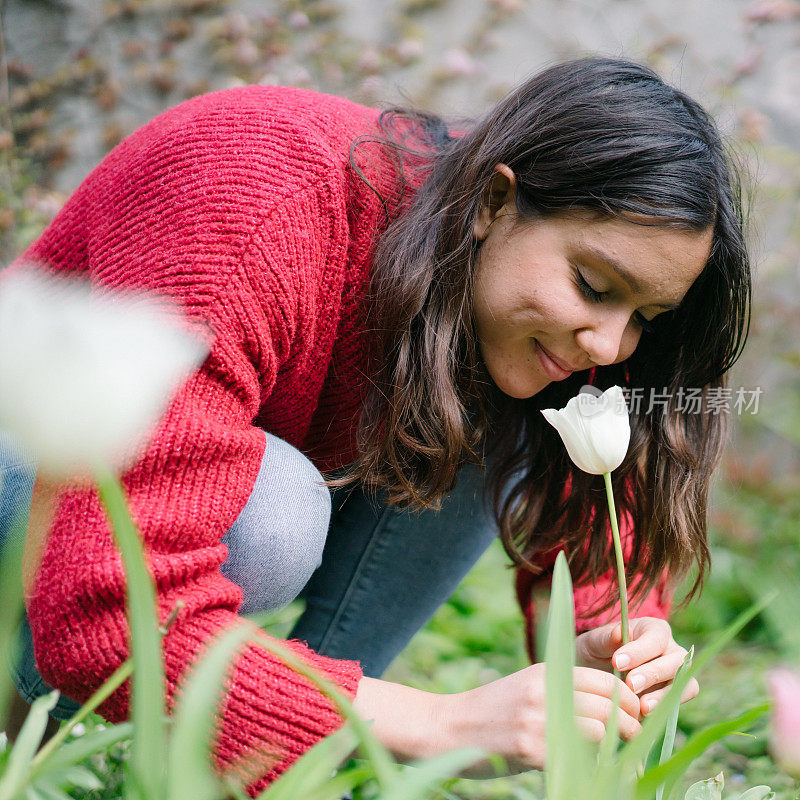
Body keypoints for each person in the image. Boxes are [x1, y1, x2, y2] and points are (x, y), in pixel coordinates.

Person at [0, 56, 749, 789]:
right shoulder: (258, 190)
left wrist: (622, 644)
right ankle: (29, 734)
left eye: (645, 318)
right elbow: (104, 607)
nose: (610, 345)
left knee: (487, 393)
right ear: (494, 202)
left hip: (118, 505)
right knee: (274, 515)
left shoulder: (496, 303)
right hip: (34, 460)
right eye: (592, 284)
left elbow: (597, 530)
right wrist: (444, 726)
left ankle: (287, 762)